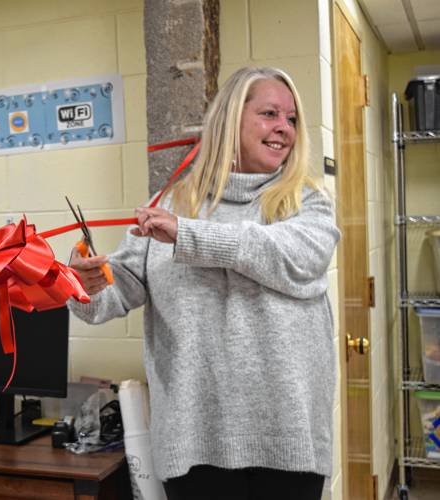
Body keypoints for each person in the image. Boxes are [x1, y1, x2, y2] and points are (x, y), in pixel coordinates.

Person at [68, 66, 341, 500]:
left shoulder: (307, 203)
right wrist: (85, 282)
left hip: (286, 442)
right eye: (270, 113)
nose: (283, 129)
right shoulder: (172, 203)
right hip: (194, 443)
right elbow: (112, 295)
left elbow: (290, 256)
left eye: (291, 119)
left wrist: (188, 234)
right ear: (231, 119)